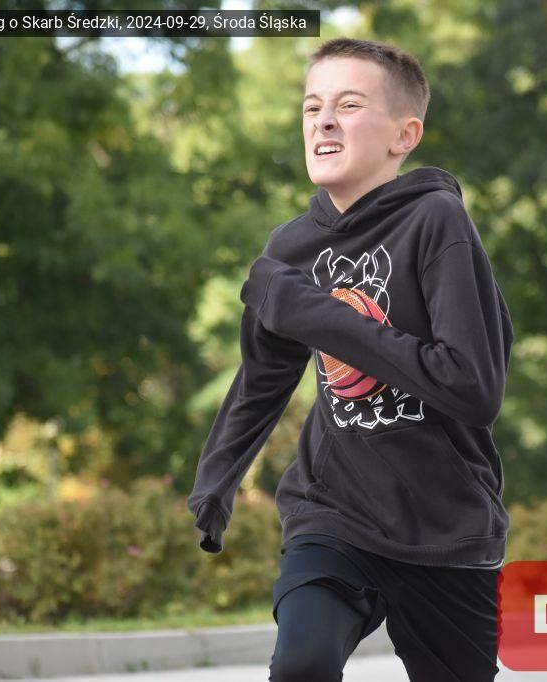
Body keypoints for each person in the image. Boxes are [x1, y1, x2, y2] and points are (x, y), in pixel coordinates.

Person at [186, 36, 514, 681]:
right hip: (333, 513)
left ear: (404, 135)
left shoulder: (437, 221)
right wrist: (215, 484)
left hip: (445, 526)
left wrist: (314, 313)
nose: (324, 122)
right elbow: (263, 378)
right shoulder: (290, 248)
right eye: (312, 107)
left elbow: (473, 387)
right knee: (302, 665)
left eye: (349, 105)